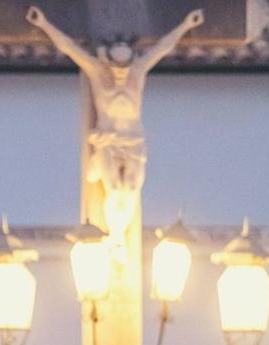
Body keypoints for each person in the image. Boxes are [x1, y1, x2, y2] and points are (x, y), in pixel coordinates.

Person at [26, 6, 205, 246]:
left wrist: (186, 25)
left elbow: (162, 48)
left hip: (133, 141)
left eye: (125, 67)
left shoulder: (138, 73)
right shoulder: (97, 73)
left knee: (130, 188)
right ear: (107, 60)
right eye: (116, 67)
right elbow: (69, 48)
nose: (121, 74)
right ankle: (116, 237)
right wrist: (44, 24)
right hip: (109, 140)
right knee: (114, 187)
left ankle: (119, 236)